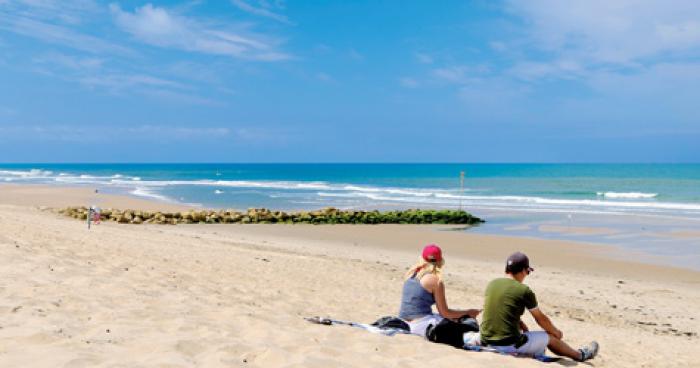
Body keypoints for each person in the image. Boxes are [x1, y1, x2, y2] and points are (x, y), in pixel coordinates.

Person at [478, 251, 599, 362]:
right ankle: (580, 355)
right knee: (549, 337)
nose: (527, 275)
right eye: (528, 272)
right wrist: (556, 332)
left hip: (485, 340)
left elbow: (500, 309)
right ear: (523, 271)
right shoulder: (524, 290)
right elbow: (540, 319)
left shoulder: (492, 284)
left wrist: (519, 322)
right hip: (508, 344)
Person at [398, 244, 480, 338]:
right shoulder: (435, 280)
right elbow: (445, 313)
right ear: (440, 261)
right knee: (466, 323)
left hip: (403, 321)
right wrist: (469, 312)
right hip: (421, 324)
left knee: (454, 316)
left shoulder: (411, 274)